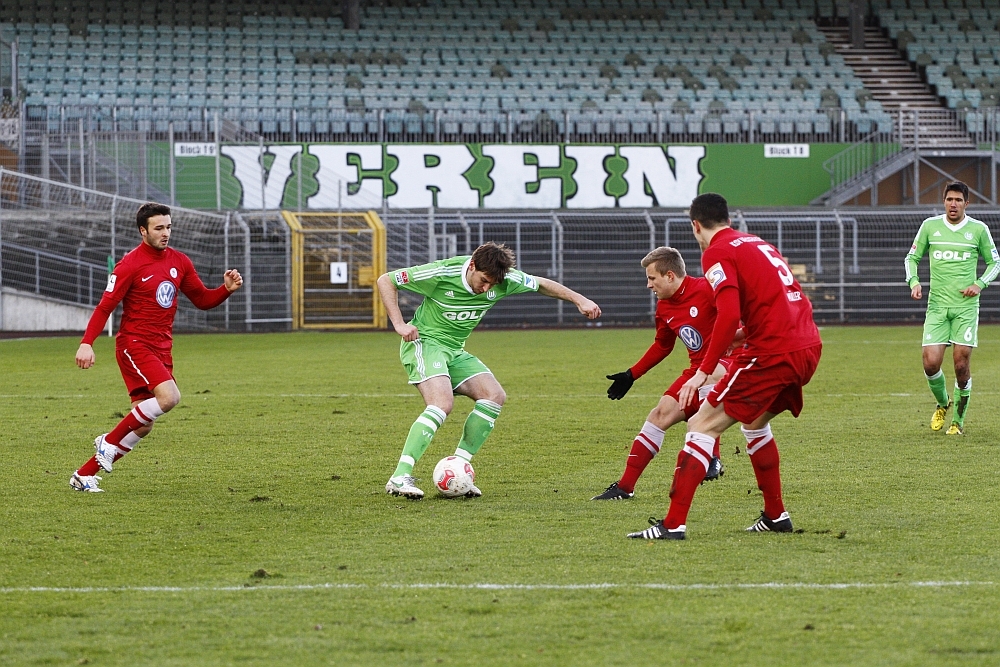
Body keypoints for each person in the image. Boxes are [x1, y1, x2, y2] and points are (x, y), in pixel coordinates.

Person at [627, 193, 822, 540]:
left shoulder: (717, 250)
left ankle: (672, 525)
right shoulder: (758, 243)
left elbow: (728, 312)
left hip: (772, 352)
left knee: (701, 424)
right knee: (754, 423)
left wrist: (703, 371)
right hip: (806, 345)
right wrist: (743, 334)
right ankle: (776, 516)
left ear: (695, 225)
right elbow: (787, 298)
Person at [376, 241, 601, 499]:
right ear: (472, 265)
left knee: (494, 396)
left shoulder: (502, 279)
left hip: (455, 350)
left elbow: (540, 284)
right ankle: (399, 476)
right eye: (483, 281)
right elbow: (387, 280)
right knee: (442, 403)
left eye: (492, 284)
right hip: (425, 342)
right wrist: (399, 323)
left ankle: (459, 468)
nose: (486, 289)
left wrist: (579, 299)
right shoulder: (442, 272)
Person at [70, 203, 243, 492]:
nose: (166, 233)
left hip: (162, 348)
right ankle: (108, 442)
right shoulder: (130, 265)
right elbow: (104, 307)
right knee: (170, 397)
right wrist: (86, 343)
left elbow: (202, 300)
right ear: (143, 230)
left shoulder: (180, 261)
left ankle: (84, 474)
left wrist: (225, 290)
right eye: (159, 228)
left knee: (142, 425)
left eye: (169, 227)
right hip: (134, 344)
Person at [593, 246, 739, 501]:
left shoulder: (707, 289)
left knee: (712, 372)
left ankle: (712, 457)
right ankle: (624, 488)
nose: (649, 285)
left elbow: (744, 320)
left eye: (652, 278)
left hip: (730, 365)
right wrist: (631, 374)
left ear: (670, 276)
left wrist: (733, 339)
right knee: (659, 414)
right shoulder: (664, 308)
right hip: (697, 372)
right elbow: (663, 345)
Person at [905, 180, 998, 436]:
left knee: (960, 364)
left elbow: (995, 263)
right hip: (937, 306)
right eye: (949, 200)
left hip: (965, 308)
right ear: (943, 201)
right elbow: (912, 257)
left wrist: (979, 284)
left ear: (967, 203)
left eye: (958, 200)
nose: (953, 204)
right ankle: (943, 402)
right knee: (930, 364)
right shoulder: (930, 226)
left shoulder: (978, 230)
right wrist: (914, 282)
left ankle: (957, 421)